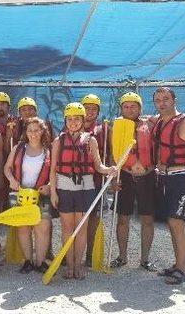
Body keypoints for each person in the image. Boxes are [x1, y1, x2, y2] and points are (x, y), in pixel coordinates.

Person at [50, 102, 116, 280]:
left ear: (82, 119)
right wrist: (53, 192)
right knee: (67, 228)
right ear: (65, 120)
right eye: (70, 119)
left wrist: (109, 169)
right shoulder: (58, 141)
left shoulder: (91, 139)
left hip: (86, 187)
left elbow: (98, 165)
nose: (73, 122)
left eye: (77, 119)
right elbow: (53, 169)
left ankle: (78, 264)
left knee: (81, 228)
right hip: (64, 186)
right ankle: (69, 264)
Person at [151, 87, 185, 285]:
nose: (162, 103)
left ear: (174, 100)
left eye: (166, 99)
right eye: (158, 100)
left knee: (177, 222)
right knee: (170, 221)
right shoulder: (159, 122)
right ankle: (178, 265)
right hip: (165, 177)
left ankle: (183, 269)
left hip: (181, 177)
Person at [108, 92, 158, 271]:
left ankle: (145, 259)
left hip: (147, 176)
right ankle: (122, 257)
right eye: (126, 106)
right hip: (125, 176)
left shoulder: (151, 124)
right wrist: (113, 180)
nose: (129, 110)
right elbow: (113, 156)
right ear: (121, 108)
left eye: (133, 106)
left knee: (147, 219)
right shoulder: (116, 126)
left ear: (140, 108)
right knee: (123, 219)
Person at [3, 117, 52, 273]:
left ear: (42, 131)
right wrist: (11, 180)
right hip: (21, 194)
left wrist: (49, 186)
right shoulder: (18, 148)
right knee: (23, 228)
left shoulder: (49, 150)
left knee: (42, 227)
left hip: (41, 195)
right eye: (30, 130)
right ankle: (28, 261)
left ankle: (40, 262)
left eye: (36, 130)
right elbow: (7, 168)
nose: (33, 134)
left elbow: (55, 173)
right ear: (26, 132)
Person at [80, 94, 111, 267]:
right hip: (78, 181)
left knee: (93, 218)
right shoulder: (72, 126)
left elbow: (111, 154)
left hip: (97, 180)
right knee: (78, 217)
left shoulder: (104, 129)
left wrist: (113, 177)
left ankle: (90, 255)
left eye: (94, 109)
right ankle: (74, 253)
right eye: (87, 108)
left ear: (98, 112)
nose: (90, 112)